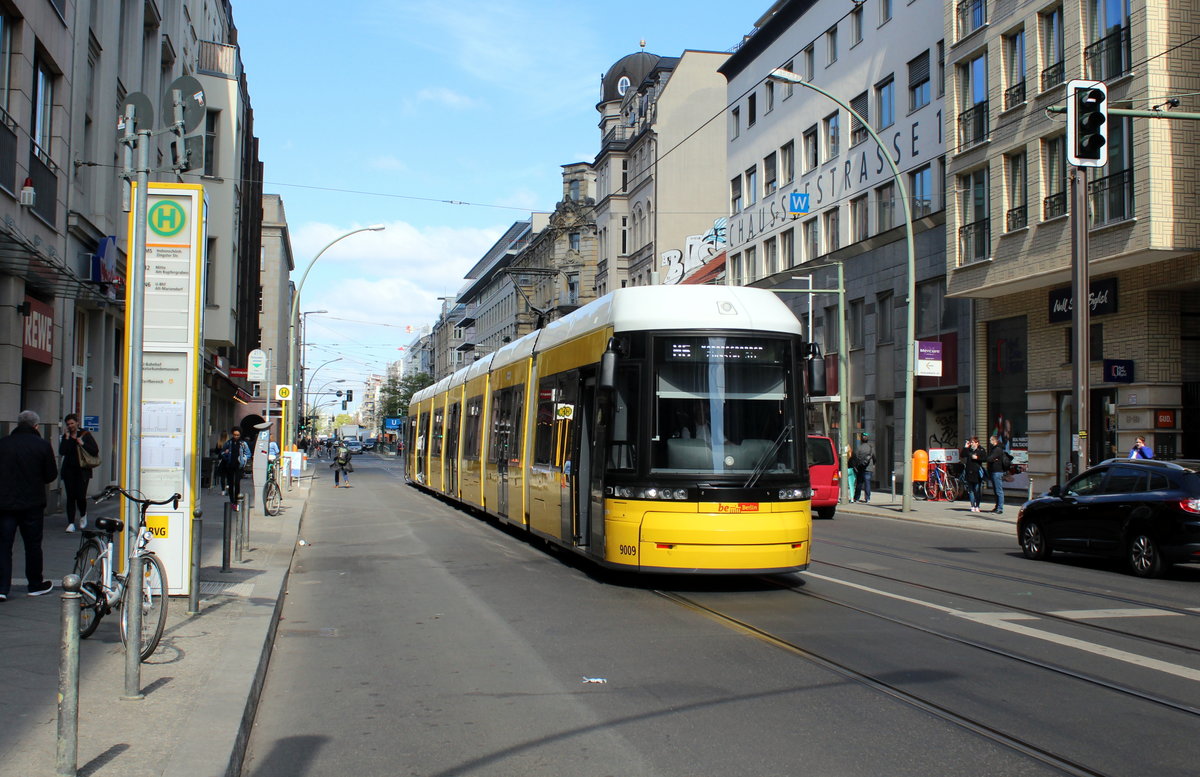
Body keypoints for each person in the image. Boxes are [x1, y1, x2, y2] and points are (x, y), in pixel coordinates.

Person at [0, 410, 60, 601]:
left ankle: (2, 588)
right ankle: (35, 584)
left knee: (3, 546)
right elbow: (51, 475)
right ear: (36, 426)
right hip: (32, 504)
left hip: (5, 503)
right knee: (33, 545)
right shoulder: (42, 445)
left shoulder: (3, 444)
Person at [59, 413, 100, 532]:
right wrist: (66, 439)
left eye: (72, 423)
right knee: (70, 496)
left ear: (77, 423)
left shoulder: (85, 435)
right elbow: (62, 451)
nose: (70, 426)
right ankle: (71, 522)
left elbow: (95, 450)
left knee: (81, 496)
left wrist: (82, 443)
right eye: (68, 424)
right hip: (69, 470)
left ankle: (83, 514)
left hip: (82, 471)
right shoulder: (66, 436)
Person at [220, 427, 250, 507]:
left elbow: (248, 453)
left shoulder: (243, 443)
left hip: (239, 466)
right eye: (234, 435)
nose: (236, 436)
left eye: (238, 435)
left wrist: (244, 459)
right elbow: (222, 452)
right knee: (230, 484)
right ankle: (232, 500)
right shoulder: (229, 443)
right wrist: (226, 455)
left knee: (237, 483)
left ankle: (237, 500)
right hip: (230, 465)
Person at [985, 434, 1011, 514]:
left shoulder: (997, 449)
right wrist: (992, 459)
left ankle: (1000, 508)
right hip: (994, 471)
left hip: (997, 472)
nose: (989, 442)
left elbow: (989, 458)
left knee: (998, 491)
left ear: (994, 441)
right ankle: (997, 507)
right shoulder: (994, 449)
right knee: (996, 491)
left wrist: (992, 459)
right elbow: (990, 458)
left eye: (991, 440)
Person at [961, 436, 986, 513]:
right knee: (971, 490)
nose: (971, 444)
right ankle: (972, 505)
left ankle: (977, 505)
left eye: (972, 442)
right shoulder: (969, 449)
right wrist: (965, 447)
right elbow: (962, 455)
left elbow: (985, 458)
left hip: (977, 472)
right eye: (970, 442)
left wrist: (977, 458)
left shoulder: (981, 450)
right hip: (969, 472)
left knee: (977, 490)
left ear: (977, 443)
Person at [851, 432, 875, 503]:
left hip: (860, 468)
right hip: (869, 468)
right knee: (867, 483)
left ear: (861, 439)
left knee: (859, 483)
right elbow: (874, 457)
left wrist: (856, 465)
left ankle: (857, 498)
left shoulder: (859, 448)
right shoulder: (871, 447)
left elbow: (855, 457)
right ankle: (867, 498)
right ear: (867, 439)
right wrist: (873, 464)